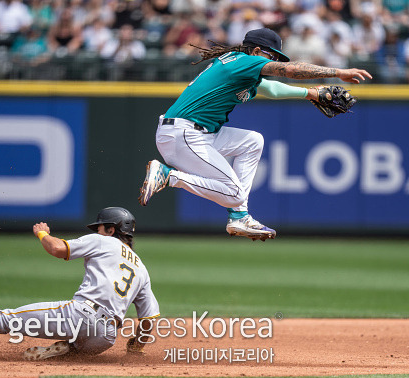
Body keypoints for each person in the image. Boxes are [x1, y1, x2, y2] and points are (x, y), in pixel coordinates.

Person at [138, 28, 372, 241]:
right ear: (257, 50)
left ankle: (240, 216)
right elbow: (290, 71)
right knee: (232, 193)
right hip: (184, 134)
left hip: (193, 133)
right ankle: (168, 176)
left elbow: (271, 88)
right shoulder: (244, 61)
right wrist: (338, 71)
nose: (275, 63)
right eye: (273, 57)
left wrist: (310, 94)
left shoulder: (239, 67)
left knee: (252, 141)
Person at [0, 207, 160, 360]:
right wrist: (135, 348)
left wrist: (42, 233)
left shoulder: (104, 241)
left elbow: (58, 249)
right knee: (79, 348)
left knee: (4, 319)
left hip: (80, 315)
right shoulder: (142, 269)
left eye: (100, 227)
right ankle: (67, 349)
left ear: (112, 229)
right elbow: (149, 321)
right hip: (104, 339)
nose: (97, 230)